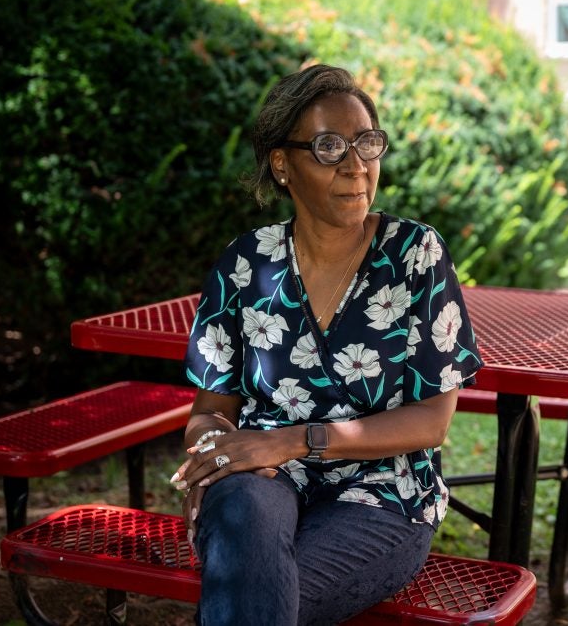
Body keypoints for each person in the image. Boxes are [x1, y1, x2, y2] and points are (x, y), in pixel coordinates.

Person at [169, 64, 483, 625]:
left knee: (253, 602)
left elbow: (432, 422)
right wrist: (213, 459)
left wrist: (293, 441)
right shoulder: (246, 263)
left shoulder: (414, 255)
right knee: (242, 522)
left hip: (383, 497)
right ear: (282, 164)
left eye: (367, 142)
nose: (357, 164)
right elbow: (211, 412)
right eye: (329, 146)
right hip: (263, 483)